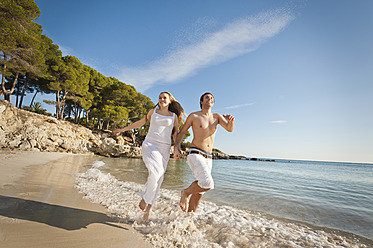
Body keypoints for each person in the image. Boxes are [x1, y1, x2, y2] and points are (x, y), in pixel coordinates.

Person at [114, 92, 185, 219]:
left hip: (165, 148)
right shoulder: (153, 112)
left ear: (169, 101)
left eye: (164, 98)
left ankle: (148, 211)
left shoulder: (174, 116)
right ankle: (145, 198)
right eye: (160, 98)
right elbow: (139, 123)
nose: (161, 99)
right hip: (150, 145)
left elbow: (175, 134)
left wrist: (176, 149)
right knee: (155, 173)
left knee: (159, 179)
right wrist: (122, 129)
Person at [174, 92, 235, 212]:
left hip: (209, 157)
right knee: (207, 183)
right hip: (195, 153)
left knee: (200, 191)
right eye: (207, 97)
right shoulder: (194, 116)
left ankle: (188, 219)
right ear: (201, 101)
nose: (210, 99)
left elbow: (229, 129)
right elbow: (181, 133)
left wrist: (231, 121)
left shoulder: (216, 117)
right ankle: (185, 193)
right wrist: (176, 147)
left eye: (212, 98)